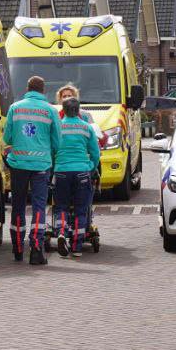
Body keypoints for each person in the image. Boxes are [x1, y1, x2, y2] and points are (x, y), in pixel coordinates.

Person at [2, 75, 62, 265]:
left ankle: (18, 248)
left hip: (18, 164)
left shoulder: (15, 108)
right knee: (39, 206)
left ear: (27, 88)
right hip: (41, 165)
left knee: (18, 205)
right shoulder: (50, 111)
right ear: (43, 91)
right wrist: (47, 154)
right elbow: (57, 141)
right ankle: (36, 249)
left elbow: (8, 137)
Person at [53, 96, 101, 258]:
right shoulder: (86, 128)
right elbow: (95, 153)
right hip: (82, 171)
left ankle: (61, 232)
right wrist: (91, 168)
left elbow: (52, 149)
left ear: (63, 110)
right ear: (78, 110)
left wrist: (54, 166)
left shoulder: (57, 127)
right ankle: (77, 246)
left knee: (61, 207)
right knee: (81, 209)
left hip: (61, 172)